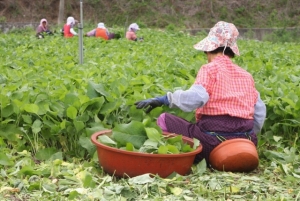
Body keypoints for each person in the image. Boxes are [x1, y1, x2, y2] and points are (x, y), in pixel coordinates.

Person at [134, 21, 266, 165]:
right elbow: (260, 112)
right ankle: (239, 149)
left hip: (211, 143)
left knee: (165, 119)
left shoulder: (210, 69)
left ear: (209, 49)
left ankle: (174, 158)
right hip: (245, 144)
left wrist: (164, 99)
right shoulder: (246, 76)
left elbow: (196, 97)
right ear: (231, 52)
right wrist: (241, 136)